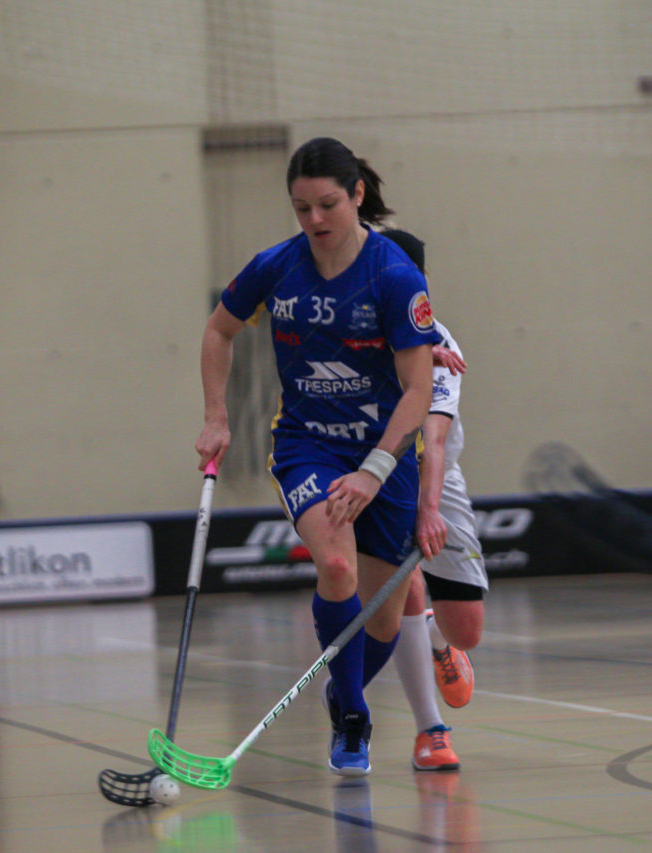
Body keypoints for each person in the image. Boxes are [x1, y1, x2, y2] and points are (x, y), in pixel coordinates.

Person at [195, 137, 442, 775]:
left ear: (357, 195)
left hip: (383, 453)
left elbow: (419, 391)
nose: (314, 222)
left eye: (327, 205)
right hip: (308, 445)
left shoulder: (393, 276)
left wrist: (377, 468)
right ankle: (353, 714)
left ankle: (344, 688)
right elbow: (220, 329)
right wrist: (216, 416)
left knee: (383, 621)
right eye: (301, 208)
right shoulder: (275, 266)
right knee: (336, 566)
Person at [379, 229, 487, 772]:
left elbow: (435, 442)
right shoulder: (353, 329)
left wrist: (427, 511)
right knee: (404, 581)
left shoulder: (440, 341)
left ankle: (445, 647)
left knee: (466, 625)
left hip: (434, 475)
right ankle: (431, 731)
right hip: (372, 469)